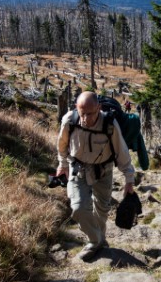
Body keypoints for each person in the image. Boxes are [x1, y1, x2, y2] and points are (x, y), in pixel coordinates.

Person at [56, 91, 135, 261]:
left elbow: (122, 152)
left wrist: (129, 179)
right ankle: (95, 241)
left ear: (98, 108)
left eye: (89, 114)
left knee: (102, 209)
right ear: (77, 108)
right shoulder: (70, 120)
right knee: (78, 208)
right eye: (82, 113)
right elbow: (62, 145)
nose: (84, 119)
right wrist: (62, 164)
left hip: (104, 170)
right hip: (78, 169)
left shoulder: (109, 124)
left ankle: (99, 241)